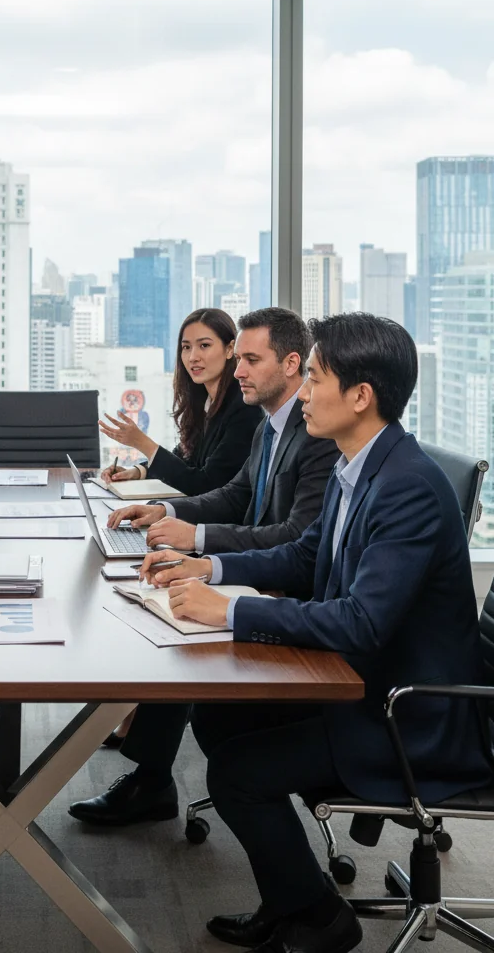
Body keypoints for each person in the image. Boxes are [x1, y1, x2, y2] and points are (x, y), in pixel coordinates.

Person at [139, 312, 492, 953]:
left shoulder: (406, 488)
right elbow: (306, 557)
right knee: (220, 721)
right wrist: (209, 566)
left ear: (361, 396)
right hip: (365, 681)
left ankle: (317, 917)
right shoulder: (358, 465)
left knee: (238, 772)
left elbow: (361, 621)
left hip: (408, 715)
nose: (303, 392)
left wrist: (230, 612)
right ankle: (289, 899)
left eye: (317, 378)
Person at [70, 307, 341, 823]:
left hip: (288, 592)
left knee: (177, 630)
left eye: (248, 359)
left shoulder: (316, 435)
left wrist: (197, 543)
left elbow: (296, 539)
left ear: (290, 365)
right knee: (159, 607)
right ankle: (153, 775)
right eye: (238, 359)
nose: (237, 370)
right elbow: (234, 493)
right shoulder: (271, 426)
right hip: (260, 568)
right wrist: (165, 510)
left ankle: (154, 780)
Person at [98, 307, 262, 497]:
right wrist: (138, 471)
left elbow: (206, 485)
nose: (193, 357)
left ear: (229, 349)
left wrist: (143, 443)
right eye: (186, 347)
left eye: (204, 346)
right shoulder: (204, 401)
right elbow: (184, 459)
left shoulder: (244, 408)